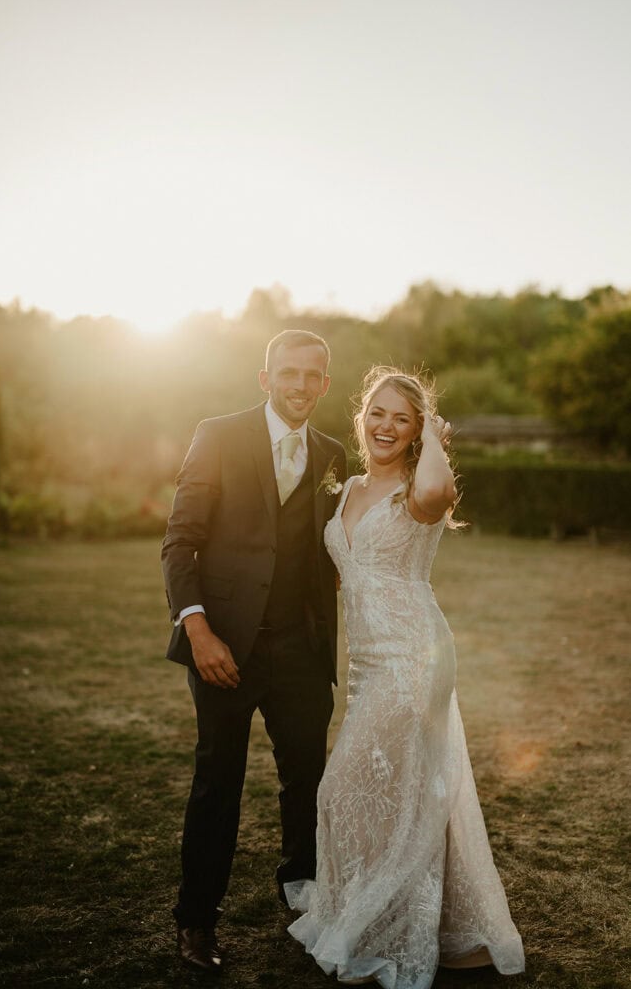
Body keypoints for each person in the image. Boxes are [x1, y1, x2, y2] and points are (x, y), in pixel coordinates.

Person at [285, 367, 525, 988]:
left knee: (344, 791)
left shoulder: (421, 487)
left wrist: (439, 441)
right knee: (402, 792)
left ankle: (386, 926)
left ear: (417, 430)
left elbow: (440, 494)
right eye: (378, 413)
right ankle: (402, 920)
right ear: (362, 417)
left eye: (403, 418)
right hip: (367, 662)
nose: (386, 426)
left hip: (414, 656)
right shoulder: (347, 489)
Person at [161, 329, 348, 973]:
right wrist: (200, 631)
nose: (300, 385)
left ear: (326, 384)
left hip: (300, 649)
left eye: (313, 375)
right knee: (218, 783)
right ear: (264, 377)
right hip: (225, 647)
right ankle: (196, 922)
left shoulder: (332, 453)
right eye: (288, 372)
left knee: (309, 783)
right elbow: (179, 543)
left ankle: (303, 899)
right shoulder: (217, 435)